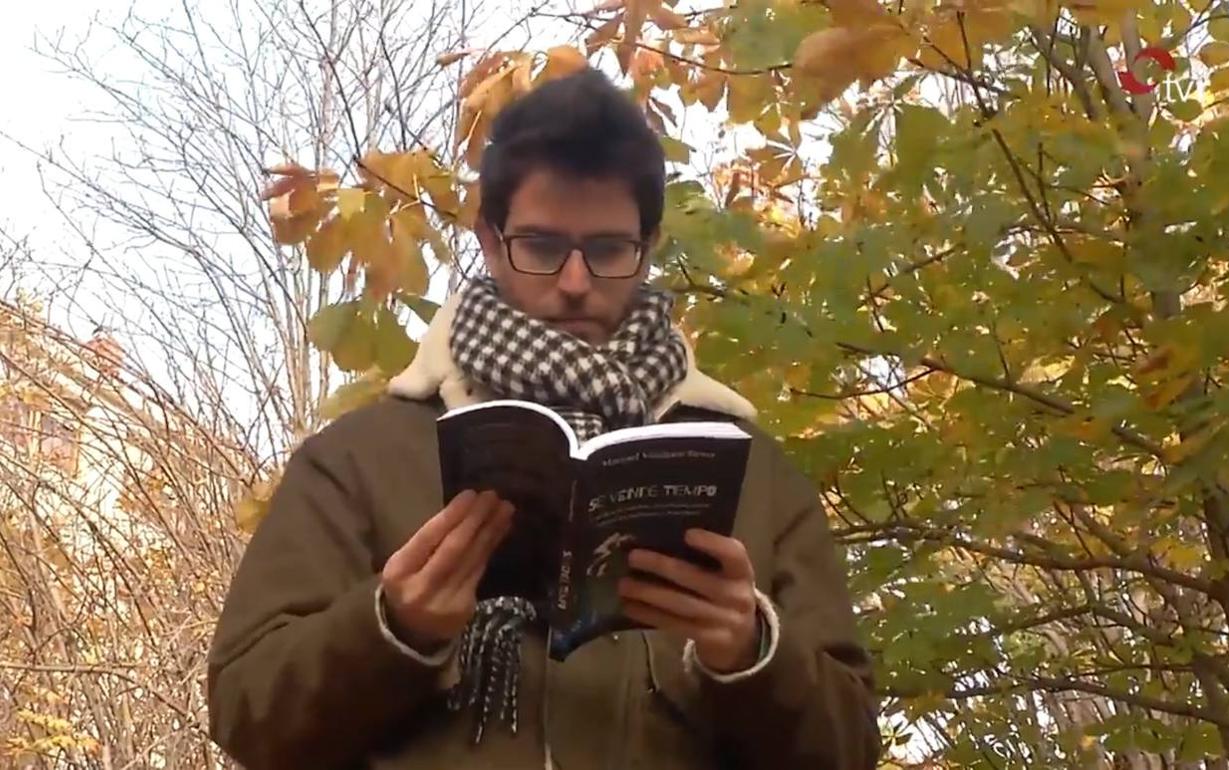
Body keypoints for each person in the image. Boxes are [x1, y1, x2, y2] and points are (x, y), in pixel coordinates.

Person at [207, 66, 880, 770]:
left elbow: (851, 747)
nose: (575, 282)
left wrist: (751, 652)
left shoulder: (752, 475)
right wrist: (390, 626)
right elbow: (246, 709)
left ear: (648, 247)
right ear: (489, 240)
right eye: (542, 247)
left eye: (609, 249)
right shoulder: (360, 461)